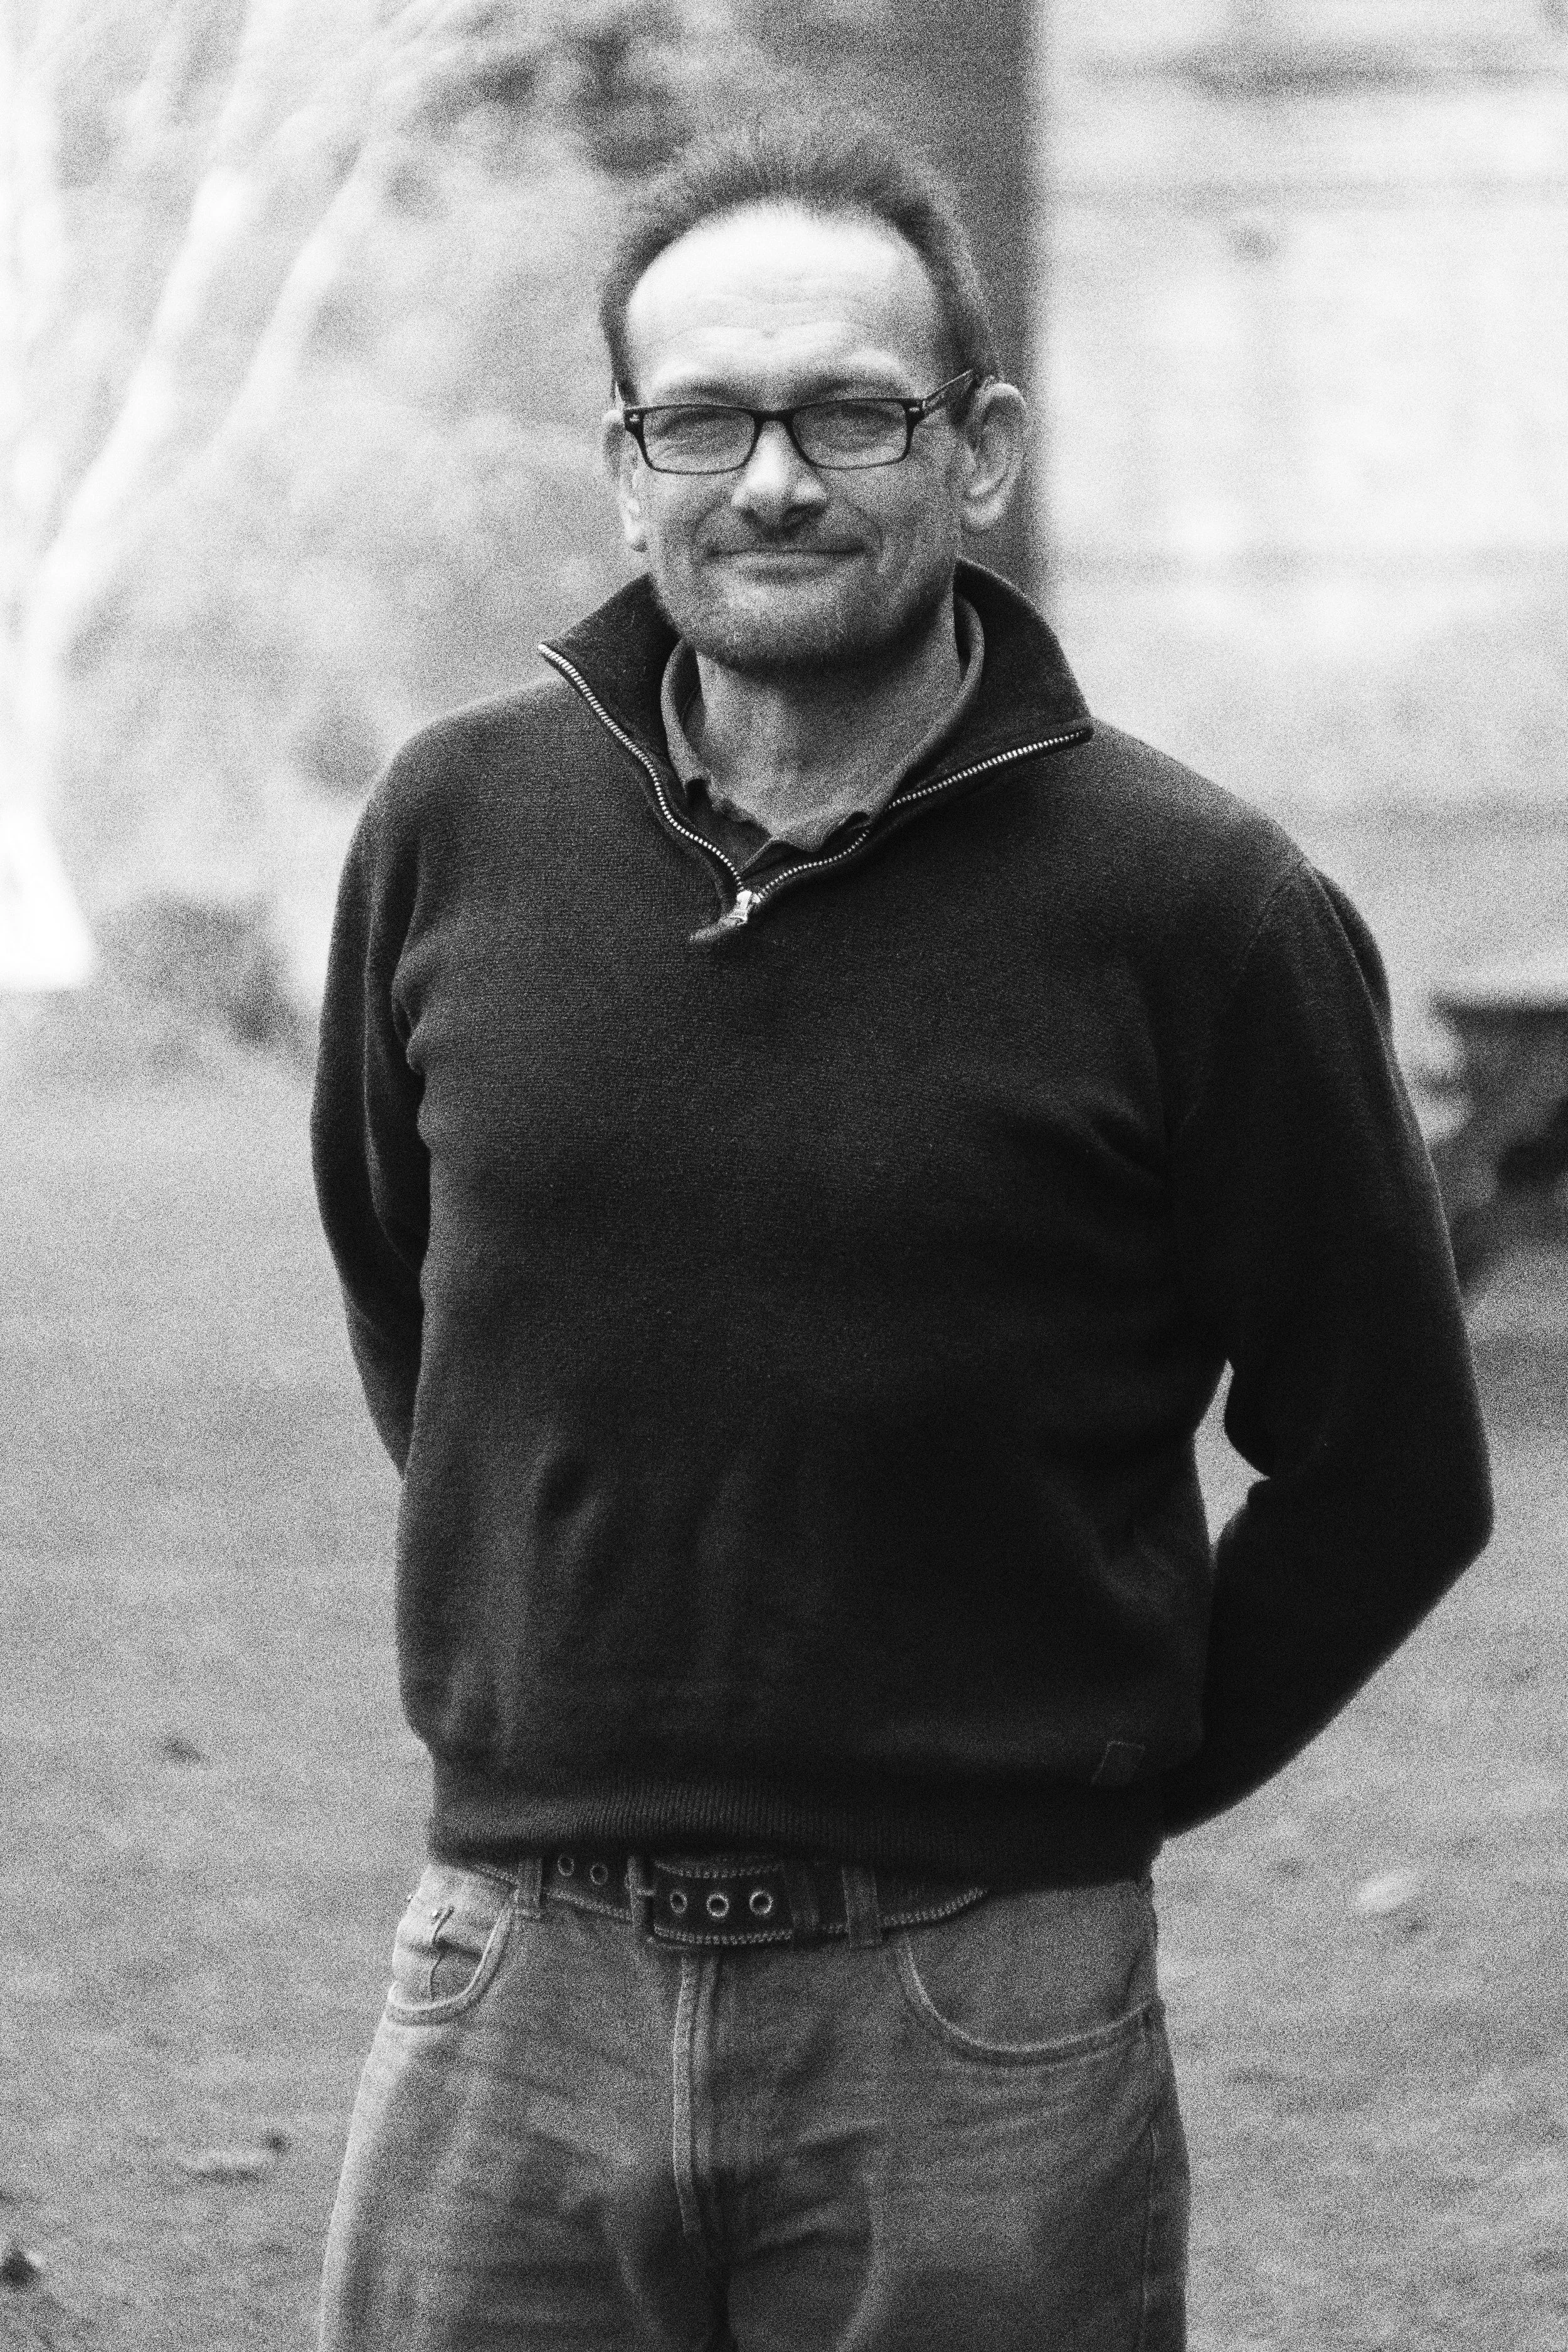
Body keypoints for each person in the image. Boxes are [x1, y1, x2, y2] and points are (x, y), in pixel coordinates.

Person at [310, 112, 1492, 2352]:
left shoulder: (1199, 909)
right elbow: (416, 1305)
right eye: (702, 420)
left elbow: (1388, 1468)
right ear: (624, 466)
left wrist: (1074, 1786)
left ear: (979, 451)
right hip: (506, 1986)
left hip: (983, 2017)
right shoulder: (452, 825)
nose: (770, 481)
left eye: (848, 412)